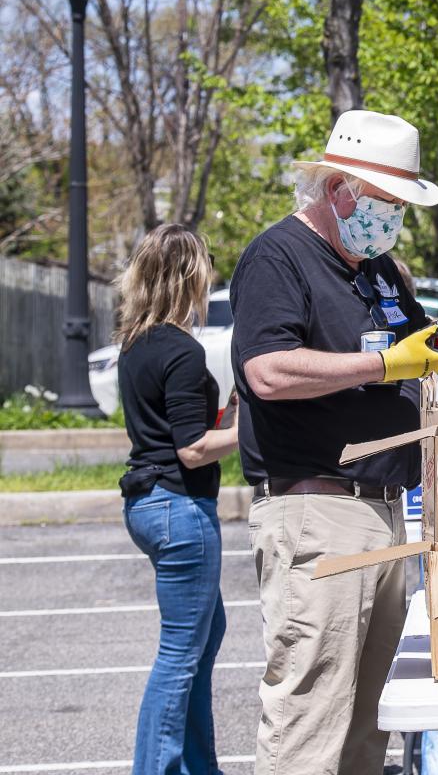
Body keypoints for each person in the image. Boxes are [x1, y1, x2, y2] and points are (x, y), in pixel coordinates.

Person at [230, 109, 438, 775]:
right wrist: (379, 366)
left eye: (400, 204)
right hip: (317, 508)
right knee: (310, 716)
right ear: (338, 188)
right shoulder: (278, 256)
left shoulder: (379, 270)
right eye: (385, 202)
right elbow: (266, 370)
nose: (392, 217)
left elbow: (430, 351)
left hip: (381, 508)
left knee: (370, 721)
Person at [116, 224, 240, 775]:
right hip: (179, 508)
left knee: (204, 636)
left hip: (148, 504)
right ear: (191, 276)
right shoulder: (183, 351)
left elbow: (175, 429)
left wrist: (237, 410)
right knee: (179, 656)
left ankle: (197, 766)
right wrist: (257, 431)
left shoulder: (136, 345)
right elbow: (192, 449)